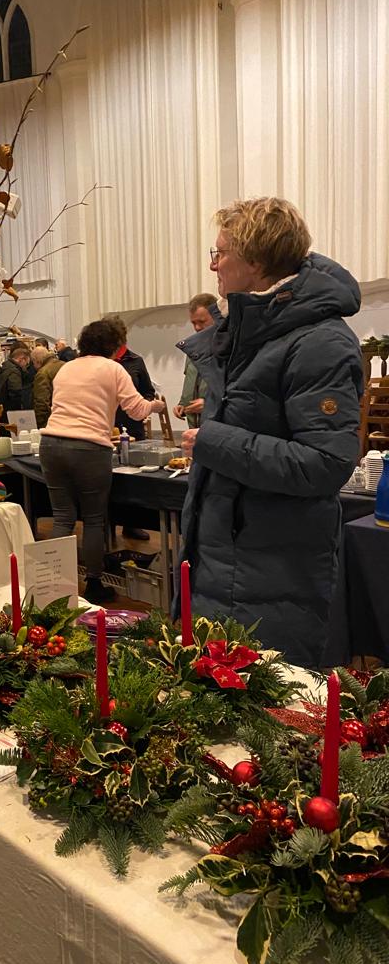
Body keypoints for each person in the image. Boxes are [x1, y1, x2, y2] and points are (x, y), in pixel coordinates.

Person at [178, 197, 363, 668]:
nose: (213, 265)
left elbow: (325, 463)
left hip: (271, 577)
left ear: (255, 263)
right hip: (228, 564)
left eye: (221, 253)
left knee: (267, 706)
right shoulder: (246, 333)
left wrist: (212, 442)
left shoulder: (319, 342)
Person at [41, 320, 165, 605]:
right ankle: (94, 584)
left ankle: (53, 587)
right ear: (114, 345)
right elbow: (137, 410)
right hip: (88, 448)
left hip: (50, 444)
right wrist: (156, 406)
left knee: (63, 518)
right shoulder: (113, 369)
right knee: (94, 519)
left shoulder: (65, 368)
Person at [104, 315, 156, 441]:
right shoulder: (100, 362)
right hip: (104, 427)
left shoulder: (136, 361)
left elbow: (148, 392)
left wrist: (144, 409)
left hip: (132, 427)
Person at [173, 293, 217, 428]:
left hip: (216, 426)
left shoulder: (228, 348)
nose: (197, 327)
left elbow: (235, 393)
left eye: (202, 322)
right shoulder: (192, 348)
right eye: (193, 323)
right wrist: (182, 403)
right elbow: (191, 380)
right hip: (194, 427)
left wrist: (209, 404)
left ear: (217, 316)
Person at [0, 342, 32, 416]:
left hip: (0, 410)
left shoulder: (2, 367)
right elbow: (16, 394)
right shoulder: (14, 372)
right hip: (11, 412)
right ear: (21, 359)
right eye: (26, 363)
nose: (26, 366)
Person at [32, 345, 63, 428]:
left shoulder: (42, 374)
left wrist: (40, 424)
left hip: (53, 420)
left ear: (37, 361)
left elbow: (41, 402)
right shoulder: (64, 365)